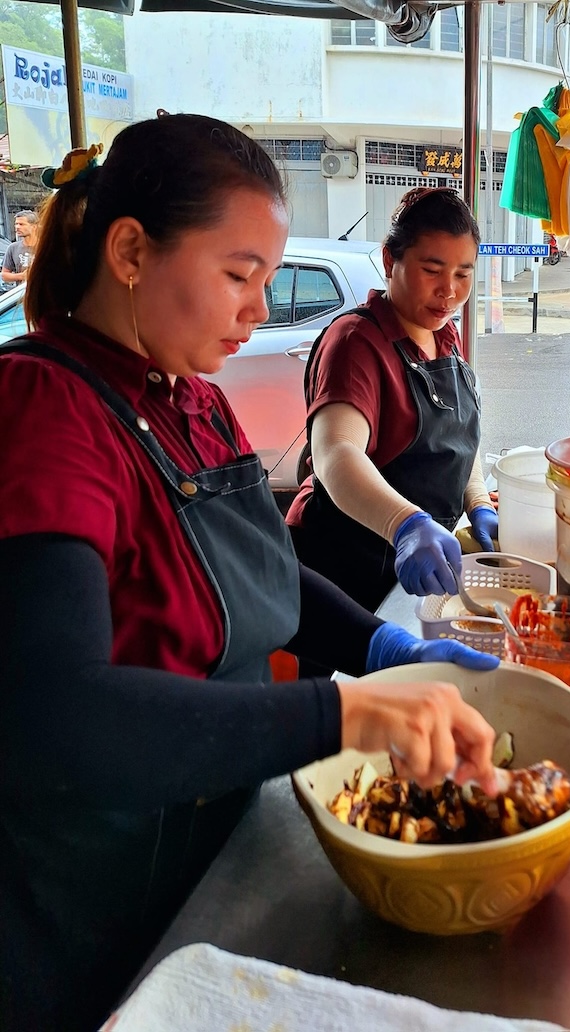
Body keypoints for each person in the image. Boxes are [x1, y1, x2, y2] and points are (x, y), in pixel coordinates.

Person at [0, 115, 502, 1032]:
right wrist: (344, 711)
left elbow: (271, 574)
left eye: (266, 281)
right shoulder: (44, 407)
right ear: (129, 251)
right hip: (94, 889)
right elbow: (63, 712)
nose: (258, 311)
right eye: (238, 276)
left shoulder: (193, 398)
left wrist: (379, 646)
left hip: (210, 839)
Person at [285, 186, 499, 614]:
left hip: (413, 572)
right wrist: (405, 525)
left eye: (463, 273)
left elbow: (457, 441)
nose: (449, 291)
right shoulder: (356, 341)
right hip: (345, 567)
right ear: (390, 260)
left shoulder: (445, 338)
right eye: (432, 269)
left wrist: (475, 499)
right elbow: (336, 454)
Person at [1, 208, 39, 288]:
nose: (17, 227)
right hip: (22, 295)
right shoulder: (13, 248)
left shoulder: (45, 247)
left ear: (34, 227)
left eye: (21, 224)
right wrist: (22, 276)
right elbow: (4, 275)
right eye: (16, 224)